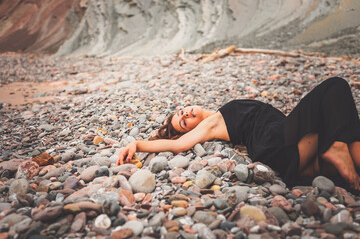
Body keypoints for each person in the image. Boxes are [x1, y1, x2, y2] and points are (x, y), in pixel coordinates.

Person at [116, 77, 360, 190]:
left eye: (182, 111)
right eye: (184, 122)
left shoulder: (217, 117)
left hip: (288, 155)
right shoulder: (211, 124)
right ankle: (334, 148)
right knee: (336, 86)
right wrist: (138, 144)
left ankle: (338, 154)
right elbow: (180, 145)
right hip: (276, 140)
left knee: (353, 148)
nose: (187, 115)